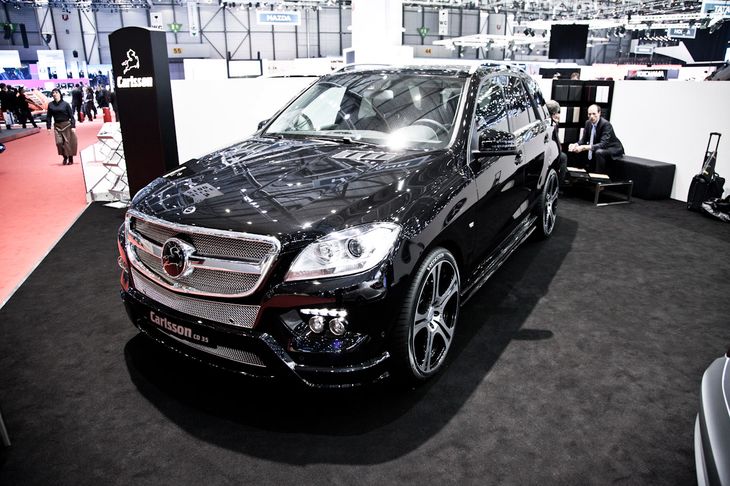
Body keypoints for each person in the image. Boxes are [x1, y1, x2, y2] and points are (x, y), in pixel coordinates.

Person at [569, 104, 624, 173]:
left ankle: (598, 176)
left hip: (612, 148)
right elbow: (583, 140)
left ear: (599, 113)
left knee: (599, 152)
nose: (591, 116)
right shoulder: (588, 123)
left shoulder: (606, 124)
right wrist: (576, 144)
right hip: (600, 146)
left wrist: (584, 147)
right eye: (589, 114)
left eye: (594, 114)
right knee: (576, 149)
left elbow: (603, 144)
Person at [46, 88, 77, 165]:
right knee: (59, 143)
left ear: (60, 94)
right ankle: (65, 156)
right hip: (57, 126)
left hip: (67, 125)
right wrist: (48, 127)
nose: (54, 94)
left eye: (56, 92)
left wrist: (73, 126)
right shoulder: (50, 105)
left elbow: (71, 116)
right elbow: (49, 116)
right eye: (53, 93)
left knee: (67, 143)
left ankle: (70, 158)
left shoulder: (66, 104)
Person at [545, 99, 567, 183]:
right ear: (553, 114)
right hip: (548, 153)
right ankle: (560, 183)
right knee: (563, 157)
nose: (558, 115)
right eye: (557, 113)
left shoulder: (552, 123)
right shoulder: (552, 125)